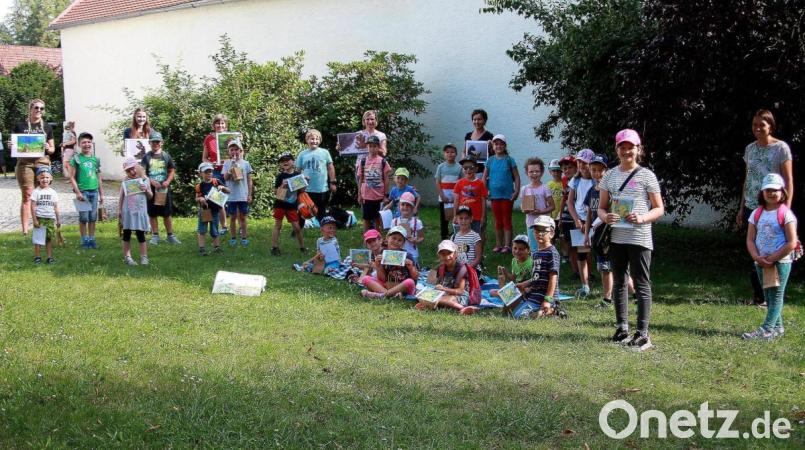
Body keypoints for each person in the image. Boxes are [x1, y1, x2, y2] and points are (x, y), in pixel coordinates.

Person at [598, 129, 664, 351]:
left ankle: (643, 333)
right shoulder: (609, 175)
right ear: (617, 149)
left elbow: (659, 208)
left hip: (640, 236)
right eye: (622, 147)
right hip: (617, 237)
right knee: (619, 281)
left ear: (638, 149)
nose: (626, 151)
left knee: (642, 283)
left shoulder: (647, 175)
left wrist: (643, 218)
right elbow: (601, 208)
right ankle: (622, 328)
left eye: (631, 147)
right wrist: (605, 216)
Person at [736, 109, 794, 305]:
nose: (757, 128)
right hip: (755, 207)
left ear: (770, 126)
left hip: (774, 209)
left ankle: (775, 296)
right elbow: (748, 179)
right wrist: (741, 208)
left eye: (762, 125)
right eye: (754, 125)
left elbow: (788, 180)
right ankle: (759, 296)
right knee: (756, 250)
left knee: (775, 251)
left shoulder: (781, 148)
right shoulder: (749, 149)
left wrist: (785, 210)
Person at [742, 173, 798, 340]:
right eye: (768, 190)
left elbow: (792, 242)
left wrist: (772, 258)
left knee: (776, 296)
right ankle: (778, 327)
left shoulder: (786, 214)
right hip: (761, 262)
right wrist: (756, 257)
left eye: (775, 190)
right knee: (768, 296)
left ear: (782, 192)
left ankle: (766, 330)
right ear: (762, 192)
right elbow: (750, 239)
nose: (772, 193)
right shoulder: (756, 214)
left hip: (780, 262)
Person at [14, 99, 55, 235]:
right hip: (25, 163)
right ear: (30, 109)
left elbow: (52, 149)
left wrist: (48, 147)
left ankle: (42, 226)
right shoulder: (20, 126)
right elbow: (14, 146)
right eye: (36, 108)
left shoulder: (47, 127)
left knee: (43, 193)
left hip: (42, 161)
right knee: (27, 195)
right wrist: (11, 146)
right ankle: (25, 230)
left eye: (41, 108)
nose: (39, 110)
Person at [513, 215, 561, 319]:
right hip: (534, 295)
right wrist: (524, 284)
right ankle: (544, 311)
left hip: (545, 296)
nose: (539, 233)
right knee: (515, 314)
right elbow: (537, 277)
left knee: (521, 317)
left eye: (543, 230)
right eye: (536, 230)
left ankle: (552, 310)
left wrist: (548, 299)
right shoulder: (535, 254)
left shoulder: (552, 253)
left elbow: (553, 278)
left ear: (551, 233)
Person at [416, 240, 479, 315]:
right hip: (445, 294)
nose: (446, 257)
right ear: (439, 255)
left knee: (445, 299)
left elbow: (460, 291)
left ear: (455, 254)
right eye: (443, 254)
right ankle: (429, 304)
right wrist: (436, 289)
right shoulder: (440, 268)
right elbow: (437, 284)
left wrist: (443, 289)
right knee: (421, 293)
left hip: (460, 296)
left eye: (449, 253)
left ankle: (462, 308)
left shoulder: (462, 269)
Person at [583, 154, 614, 308]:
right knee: (603, 266)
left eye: (600, 170)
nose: (597, 173)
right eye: (593, 170)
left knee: (608, 267)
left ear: (606, 171)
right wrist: (587, 235)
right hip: (597, 235)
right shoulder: (590, 191)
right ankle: (633, 295)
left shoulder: (610, 190)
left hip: (608, 234)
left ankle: (608, 299)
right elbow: (589, 215)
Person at [482, 134, 520, 254]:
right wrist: (484, 191)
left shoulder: (509, 160)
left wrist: (517, 191)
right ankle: (499, 244)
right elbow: (484, 178)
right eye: (496, 144)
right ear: (493, 146)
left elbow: (517, 177)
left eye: (501, 144)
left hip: (507, 195)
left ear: (505, 145)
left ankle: (507, 245)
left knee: (506, 219)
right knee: (497, 220)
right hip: (494, 195)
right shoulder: (490, 160)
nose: (498, 146)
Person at [141, 131, 181, 245]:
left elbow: (171, 170)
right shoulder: (146, 156)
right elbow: (142, 173)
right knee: (152, 213)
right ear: (150, 142)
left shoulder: (166, 156)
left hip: (164, 189)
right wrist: (151, 181)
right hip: (151, 189)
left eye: (158, 142)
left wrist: (167, 181)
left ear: (162, 143)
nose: (156, 144)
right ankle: (155, 235)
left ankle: (170, 235)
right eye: (153, 142)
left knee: (166, 213)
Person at [567, 149, 596, 297]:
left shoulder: (596, 180)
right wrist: (577, 220)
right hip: (580, 220)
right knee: (582, 253)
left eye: (585, 162)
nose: (582, 165)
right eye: (579, 162)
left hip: (596, 220)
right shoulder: (575, 180)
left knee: (598, 252)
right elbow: (570, 202)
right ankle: (585, 285)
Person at [360, 226, 419, 299]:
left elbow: (415, 277)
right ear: (387, 238)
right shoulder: (383, 254)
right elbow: (382, 279)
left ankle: (381, 295)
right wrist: (378, 266)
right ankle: (392, 295)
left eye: (400, 240)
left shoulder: (408, 256)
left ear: (403, 244)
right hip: (388, 285)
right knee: (365, 279)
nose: (396, 241)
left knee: (410, 282)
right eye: (394, 238)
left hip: (403, 287)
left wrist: (411, 268)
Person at [69, 132, 104, 249]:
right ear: (79, 144)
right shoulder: (77, 159)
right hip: (82, 192)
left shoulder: (96, 159)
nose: (87, 144)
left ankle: (92, 239)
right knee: (84, 218)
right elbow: (72, 177)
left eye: (89, 142)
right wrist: (78, 192)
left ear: (92, 144)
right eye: (84, 142)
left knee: (93, 218)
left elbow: (99, 177)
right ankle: (84, 240)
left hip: (94, 192)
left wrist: (101, 194)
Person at [296, 129, 336, 227]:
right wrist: (297, 187)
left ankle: (324, 229)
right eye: (311, 139)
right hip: (306, 189)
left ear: (320, 140)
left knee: (321, 211)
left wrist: (333, 182)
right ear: (307, 140)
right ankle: (297, 230)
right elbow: (297, 171)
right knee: (302, 210)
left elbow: (330, 168)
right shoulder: (302, 154)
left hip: (322, 188)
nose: (314, 141)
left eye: (316, 139)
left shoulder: (325, 152)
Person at [119, 156, 152, 266]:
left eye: (133, 168)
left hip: (139, 211)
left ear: (137, 167)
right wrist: (119, 210)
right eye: (128, 170)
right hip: (128, 212)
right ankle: (127, 257)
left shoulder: (144, 179)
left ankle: (144, 257)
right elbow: (121, 196)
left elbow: (150, 196)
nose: (132, 172)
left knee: (140, 234)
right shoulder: (125, 181)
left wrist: (146, 189)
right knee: (126, 234)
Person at [271, 153, 305, 255]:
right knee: (278, 226)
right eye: (282, 161)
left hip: (292, 206)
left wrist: (305, 181)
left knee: (297, 228)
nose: (285, 162)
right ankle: (274, 248)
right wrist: (282, 185)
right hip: (280, 205)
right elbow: (278, 195)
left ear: (293, 161)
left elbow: (302, 191)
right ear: (280, 164)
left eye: (287, 159)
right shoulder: (280, 176)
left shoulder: (297, 175)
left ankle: (302, 247)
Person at [357, 135, 392, 231]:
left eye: (375, 146)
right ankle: (366, 239)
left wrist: (385, 195)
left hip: (379, 196)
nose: (372, 149)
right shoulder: (363, 161)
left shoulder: (383, 161)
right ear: (367, 147)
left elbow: (386, 179)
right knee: (366, 218)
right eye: (370, 146)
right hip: (366, 196)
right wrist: (359, 194)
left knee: (377, 218)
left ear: (379, 147)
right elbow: (361, 179)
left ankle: (378, 238)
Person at [201, 113, 229, 235]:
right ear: (214, 125)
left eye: (222, 123)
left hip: (230, 171)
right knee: (218, 199)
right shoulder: (209, 138)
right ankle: (223, 226)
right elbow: (204, 158)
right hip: (216, 172)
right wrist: (211, 164)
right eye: (217, 123)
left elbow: (238, 154)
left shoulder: (231, 137)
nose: (220, 125)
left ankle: (238, 226)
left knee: (234, 198)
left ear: (226, 125)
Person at [520, 157, 555, 252]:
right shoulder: (525, 189)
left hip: (544, 224)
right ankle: (536, 265)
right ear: (527, 173)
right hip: (531, 223)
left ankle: (547, 265)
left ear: (542, 172)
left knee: (545, 246)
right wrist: (525, 210)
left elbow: (552, 206)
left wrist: (541, 211)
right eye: (531, 171)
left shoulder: (545, 188)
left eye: (537, 171)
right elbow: (523, 207)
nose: (534, 174)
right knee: (534, 248)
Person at [222, 139, 253, 246]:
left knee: (243, 217)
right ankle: (233, 238)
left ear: (240, 151)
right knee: (232, 217)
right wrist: (231, 168)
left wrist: (249, 194)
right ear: (229, 152)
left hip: (243, 195)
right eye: (232, 150)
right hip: (231, 196)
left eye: (236, 149)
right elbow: (225, 178)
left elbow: (249, 180)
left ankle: (244, 238)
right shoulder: (226, 163)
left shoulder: (246, 163)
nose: (234, 152)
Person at [196, 162, 230, 256]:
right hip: (204, 210)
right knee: (202, 230)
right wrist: (200, 199)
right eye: (206, 172)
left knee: (215, 230)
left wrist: (222, 187)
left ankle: (217, 247)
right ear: (201, 173)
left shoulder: (216, 181)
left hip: (215, 211)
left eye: (210, 171)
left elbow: (228, 191)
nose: (209, 174)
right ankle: (202, 249)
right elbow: (197, 198)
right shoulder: (200, 186)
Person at [348, 110, 389, 180]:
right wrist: (340, 148)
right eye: (367, 119)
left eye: (372, 119)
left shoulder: (381, 135)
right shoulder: (358, 134)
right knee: (362, 190)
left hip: (376, 167)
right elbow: (348, 149)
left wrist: (366, 146)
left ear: (376, 121)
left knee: (376, 189)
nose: (370, 122)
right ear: (364, 121)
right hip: (361, 167)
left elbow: (384, 153)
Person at [30, 167, 60, 264]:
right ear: (38, 179)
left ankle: (49, 257)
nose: (45, 179)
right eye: (42, 177)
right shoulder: (36, 192)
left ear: (51, 178)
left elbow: (55, 207)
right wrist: (34, 220)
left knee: (49, 238)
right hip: (40, 218)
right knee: (38, 239)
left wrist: (58, 219)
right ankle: (37, 257)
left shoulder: (53, 192)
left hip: (50, 219)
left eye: (47, 177)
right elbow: (33, 206)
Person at [453, 156, 488, 234]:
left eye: (471, 168)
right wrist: (455, 215)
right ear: (462, 169)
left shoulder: (480, 183)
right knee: (462, 237)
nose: (468, 170)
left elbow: (483, 201)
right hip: (463, 217)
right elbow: (456, 200)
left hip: (476, 217)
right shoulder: (459, 183)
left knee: (475, 237)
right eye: (465, 168)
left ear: (476, 169)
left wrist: (483, 217)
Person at [434, 143, 462, 239]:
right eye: (447, 152)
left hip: (455, 198)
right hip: (444, 198)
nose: (450, 154)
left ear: (456, 154)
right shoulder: (440, 167)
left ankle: (457, 235)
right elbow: (437, 182)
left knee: (456, 216)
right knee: (444, 218)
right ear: (444, 154)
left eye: (452, 152)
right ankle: (444, 236)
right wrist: (442, 195)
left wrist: (457, 196)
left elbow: (461, 182)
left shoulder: (459, 167)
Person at [390, 192, 424, 265]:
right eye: (403, 204)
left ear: (412, 207)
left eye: (408, 205)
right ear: (399, 206)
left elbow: (421, 238)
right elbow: (390, 238)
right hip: (397, 252)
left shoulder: (417, 222)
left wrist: (416, 240)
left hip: (412, 253)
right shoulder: (394, 222)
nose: (405, 207)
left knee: (411, 272)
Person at [557, 155, 577, 273]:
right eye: (565, 169)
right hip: (566, 216)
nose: (567, 170)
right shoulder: (565, 181)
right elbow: (563, 199)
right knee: (570, 243)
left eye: (570, 167)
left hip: (578, 216)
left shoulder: (579, 180)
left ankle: (585, 271)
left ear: (576, 168)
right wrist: (560, 217)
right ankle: (575, 270)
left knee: (580, 245)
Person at [451, 206, 483, 271]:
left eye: (466, 218)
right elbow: (452, 255)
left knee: (461, 279)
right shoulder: (454, 237)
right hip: (457, 268)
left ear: (471, 219)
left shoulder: (475, 237)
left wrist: (467, 268)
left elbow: (478, 258)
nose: (463, 221)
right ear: (457, 219)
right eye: (461, 218)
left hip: (471, 269)